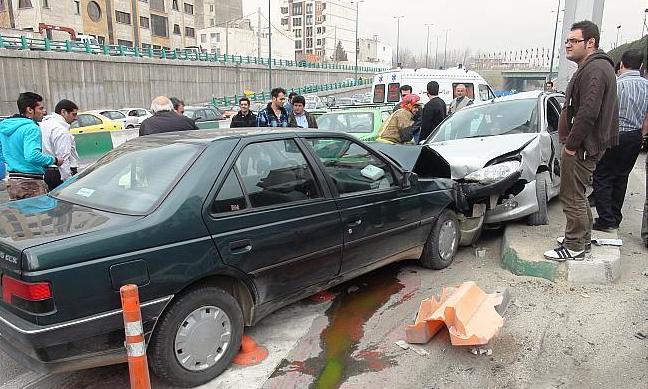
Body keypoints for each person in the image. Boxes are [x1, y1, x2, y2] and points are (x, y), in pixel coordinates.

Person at [544, 20, 618, 262]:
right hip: (585, 146)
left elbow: (588, 111)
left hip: (583, 147)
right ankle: (581, 239)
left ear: (590, 43)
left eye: (573, 41)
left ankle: (574, 245)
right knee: (579, 194)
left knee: (572, 196)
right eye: (567, 41)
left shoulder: (595, 69)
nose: (567, 45)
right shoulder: (593, 67)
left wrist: (573, 145)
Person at [591, 49, 648, 232]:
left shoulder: (616, 84)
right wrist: (641, 136)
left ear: (621, 64)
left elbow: (602, 112)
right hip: (635, 136)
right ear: (640, 66)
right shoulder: (646, 86)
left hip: (613, 135)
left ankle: (606, 220)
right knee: (621, 177)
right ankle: (615, 217)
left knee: (602, 176)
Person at [0, 92, 62, 200]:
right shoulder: (31, 128)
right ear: (29, 109)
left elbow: (2, 154)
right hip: (30, 184)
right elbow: (32, 156)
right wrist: (55, 160)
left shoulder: (5, 127)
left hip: (13, 183)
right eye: (41, 108)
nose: (44, 112)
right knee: (40, 216)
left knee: (24, 215)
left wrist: (15, 161)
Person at [41, 99, 80, 191]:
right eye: (73, 114)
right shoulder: (61, 130)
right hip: (60, 173)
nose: (75, 118)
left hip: (46, 171)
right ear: (63, 112)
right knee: (65, 204)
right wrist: (68, 181)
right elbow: (63, 159)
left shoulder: (44, 124)